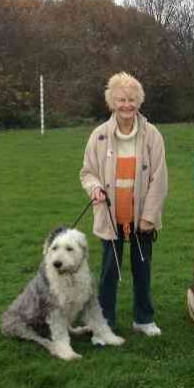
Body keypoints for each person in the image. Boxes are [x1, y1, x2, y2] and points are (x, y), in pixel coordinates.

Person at [80, 72, 168, 337]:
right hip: (110, 215)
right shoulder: (99, 136)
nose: (127, 105)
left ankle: (144, 319)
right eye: (121, 100)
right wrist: (95, 188)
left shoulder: (152, 135)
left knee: (143, 269)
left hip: (142, 216)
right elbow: (87, 172)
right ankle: (104, 324)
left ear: (139, 102)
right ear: (111, 102)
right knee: (109, 273)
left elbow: (159, 178)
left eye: (132, 99)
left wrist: (149, 216)